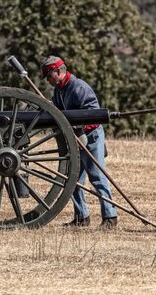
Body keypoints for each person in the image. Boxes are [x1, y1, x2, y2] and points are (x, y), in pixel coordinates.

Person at [40, 56, 117, 228]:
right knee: (73, 179)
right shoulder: (58, 90)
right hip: (75, 137)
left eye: (49, 76)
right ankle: (82, 217)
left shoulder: (79, 87)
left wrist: (80, 129)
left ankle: (110, 217)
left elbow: (93, 114)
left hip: (90, 136)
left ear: (59, 72)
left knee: (97, 177)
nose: (48, 80)